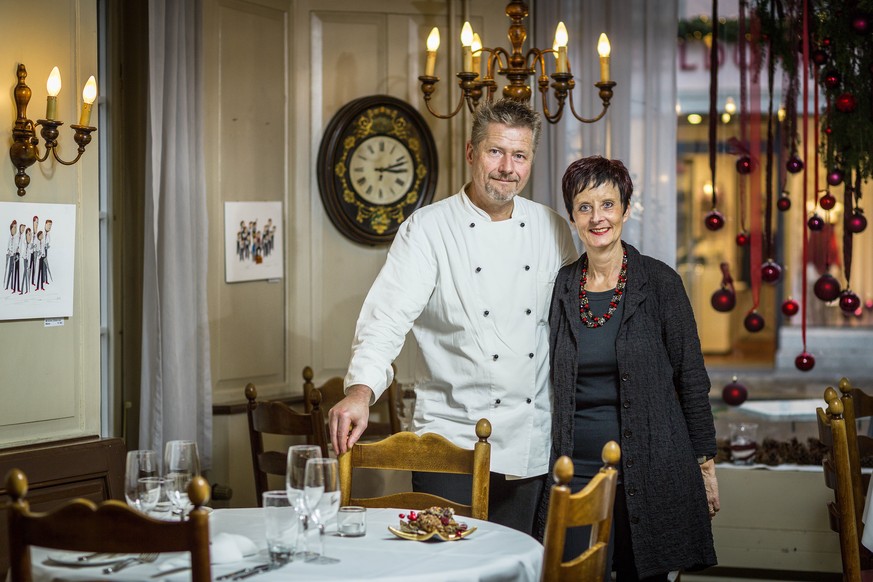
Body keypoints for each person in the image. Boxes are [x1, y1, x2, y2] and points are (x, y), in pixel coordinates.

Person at [328, 98, 578, 534]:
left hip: (529, 443)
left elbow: (574, 328)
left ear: (531, 160)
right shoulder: (427, 230)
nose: (507, 167)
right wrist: (360, 392)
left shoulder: (553, 229)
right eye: (495, 152)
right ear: (471, 153)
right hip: (449, 442)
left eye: (519, 155)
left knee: (514, 570)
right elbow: (387, 317)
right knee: (443, 567)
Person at [535, 156, 719, 580]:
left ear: (626, 209)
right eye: (584, 206)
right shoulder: (561, 287)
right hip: (574, 468)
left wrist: (706, 466)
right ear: (572, 216)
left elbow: (691, 378)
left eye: (608, 204)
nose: (597, 217)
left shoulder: (660, 283)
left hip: (652, 464)